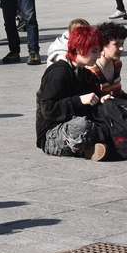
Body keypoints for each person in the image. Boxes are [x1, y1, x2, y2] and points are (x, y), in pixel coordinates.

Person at [36, 26, 110, 161]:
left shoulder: (85, 73)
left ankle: (91, 146)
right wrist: (79, 100)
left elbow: (93, 100)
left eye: (99, 51)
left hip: (77, 121)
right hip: (52, 134)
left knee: (110, 114)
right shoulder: (58, 73)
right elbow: (48, 109)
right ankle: (90, 146)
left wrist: (102, 100)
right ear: (78, 50)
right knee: (81, 126)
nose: (99, 55)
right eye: (94, 51)